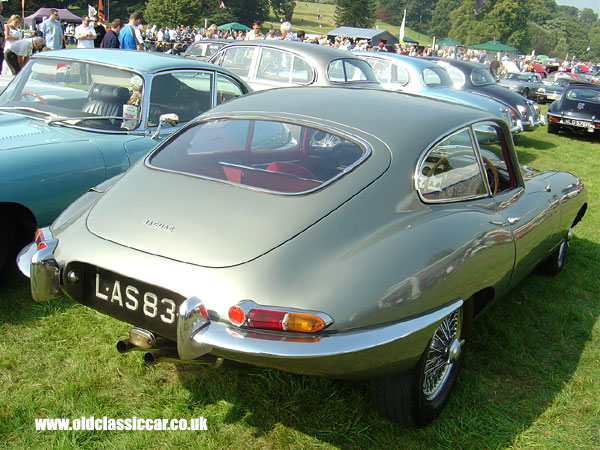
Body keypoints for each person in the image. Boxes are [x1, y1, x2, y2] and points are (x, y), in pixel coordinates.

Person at [0, 3, 5, 69]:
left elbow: (3, 31)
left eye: (1, 6)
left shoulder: (1, 18)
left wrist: (3, 43)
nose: (0, 8)